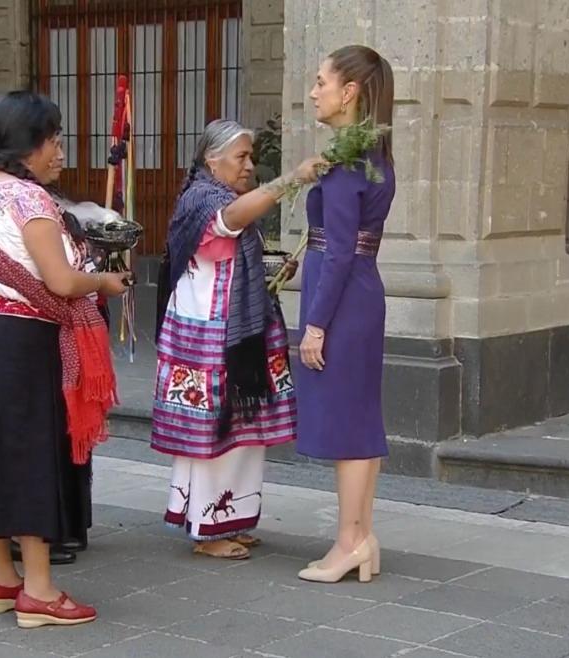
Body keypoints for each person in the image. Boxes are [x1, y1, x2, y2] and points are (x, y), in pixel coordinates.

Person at [0, 90, 128, 628]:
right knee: (31, 455)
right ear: (29, 145)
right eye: (54, 141)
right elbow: (61, 281)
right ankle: (41, 590)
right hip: (26, 339)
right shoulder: (31, 201)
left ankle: (0, 577)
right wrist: (105, 280)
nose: (60, 153)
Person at [151, 119, 323, 559]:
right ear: (212, 159)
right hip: (205, 332)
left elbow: (230, 258)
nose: (249, 165)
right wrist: (292, 179)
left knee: (245, 429)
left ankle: (233, 518)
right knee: (215, 431)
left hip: (237, 328)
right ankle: (208, 528)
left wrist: (268, 272)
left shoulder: (225, 196)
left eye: (251, 157)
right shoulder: (203, 198)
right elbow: (228, 223)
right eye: (240, 156)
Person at [294, 45, 396, 584]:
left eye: (320, 81)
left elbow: (336, 251)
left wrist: (315, 323)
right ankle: (360, 536)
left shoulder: (347, 163)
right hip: (360, 291)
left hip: (343, 297)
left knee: (349, 427)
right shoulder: (371, 156)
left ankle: (351, 541)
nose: (314, 92)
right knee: (359, 420)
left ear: (349, 91)